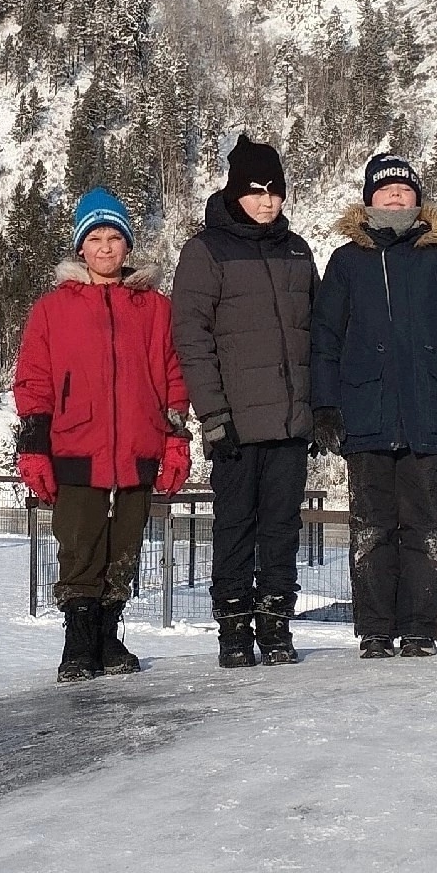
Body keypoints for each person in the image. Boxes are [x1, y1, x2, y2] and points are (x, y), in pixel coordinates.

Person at [309, 151, 437, 660]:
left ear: (418, 200)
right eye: (386, 189)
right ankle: (373, 628)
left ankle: (418, 627)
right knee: (372, 529)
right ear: (369, 200)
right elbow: (325, 338)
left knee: (425, 529)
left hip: (429, 416)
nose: (395, 196)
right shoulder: (347, 261)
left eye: (405, 190)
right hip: (366, 416)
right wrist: (325, 405)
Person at [14, 186, 192, 683]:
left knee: (125, 546)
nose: (106, 248)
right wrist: (33, 447)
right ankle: (78, 641)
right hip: (76, 447)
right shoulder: (51, 310)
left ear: (128, 246)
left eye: (115, 237)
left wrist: (176, 440)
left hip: (139, 447)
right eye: (96, 238)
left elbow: (174, 377)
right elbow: (33, 381)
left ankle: (110, 636)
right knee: (79, 545)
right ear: (80, 248)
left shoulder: (156, 309)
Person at [173, 135, 317, 669]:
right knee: (236, 526)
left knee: (282, 526)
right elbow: (191, 336)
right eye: (256, 193)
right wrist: (212, 415)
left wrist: (317, 408)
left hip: (289, 419)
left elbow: (316, 332)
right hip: (233, 421)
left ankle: (276, 623)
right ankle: (233, 629)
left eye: (275, 193)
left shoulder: (297, 250)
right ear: (235, 194)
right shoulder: (206, 250)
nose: (267, 203)